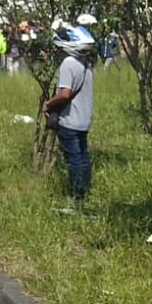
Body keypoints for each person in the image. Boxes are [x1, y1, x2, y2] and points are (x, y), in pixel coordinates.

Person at [43, 25, 96, 202]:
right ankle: (84, 192)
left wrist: (48, 104)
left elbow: (65, 93)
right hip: (83, 120)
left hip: (70, 120)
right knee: (83, 157)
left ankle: (76, 196)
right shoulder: (86, 64)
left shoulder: (68, 64)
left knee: (73, 159)